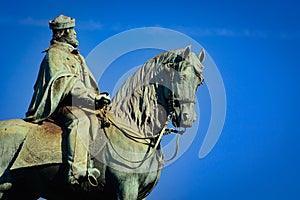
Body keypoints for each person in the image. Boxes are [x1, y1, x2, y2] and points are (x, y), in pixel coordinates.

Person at [25, 14, 110, 187]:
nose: (76, 34)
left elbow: (87, 84)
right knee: (81, 120)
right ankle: (76, 172)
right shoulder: (55, 55)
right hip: (60, 105)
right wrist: (92, 97)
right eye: (72, 31)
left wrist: (98, 99)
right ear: (63, 33)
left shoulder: (76, 56)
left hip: (80, 102)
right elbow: (66, 83)